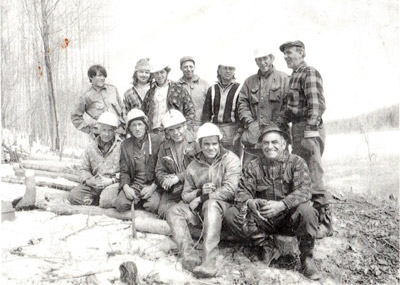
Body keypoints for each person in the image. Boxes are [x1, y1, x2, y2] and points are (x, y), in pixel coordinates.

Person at [225, 124, 321, 280]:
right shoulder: (253, 166)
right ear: (261, 145)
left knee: (308, 211)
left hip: (289, 221)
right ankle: (265, 246)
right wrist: (251, 202)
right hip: (263, 220)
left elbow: (304, 191)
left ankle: (307, 259)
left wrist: (282, 205)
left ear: (284, 144)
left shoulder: (296, 162)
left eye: (275, 142)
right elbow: (241, 194)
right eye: (266, 143)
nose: (270, 147)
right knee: (231, 214)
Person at [166, 123, 241, 278]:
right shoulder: (194, 165)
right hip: (202, 211)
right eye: (206, 144)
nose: (211, 148)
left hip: (226, 212)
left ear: (219, 143)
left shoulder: (230, 160)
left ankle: (209, 262)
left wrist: (202, 198)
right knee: (174, 210)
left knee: (211, 204)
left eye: (214, 144)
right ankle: (189, 255)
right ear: (200, 145)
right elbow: (185, 195)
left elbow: (231, 190)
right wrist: (199, 192)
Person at [277, 40, 332, 238]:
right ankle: (309, 220)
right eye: (284, 54)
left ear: (302, 53)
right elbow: (290, 109)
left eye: (290, 53)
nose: (286, 57)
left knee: (314, 175)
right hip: (297, 128)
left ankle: (326, 223)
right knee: (302, 175)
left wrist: (309, 134)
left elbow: (316, 106)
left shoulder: (309, 72)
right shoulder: (294, 76)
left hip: (309, 129)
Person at [238, 49, 289, 167]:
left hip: (277, 134)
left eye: (265, 58)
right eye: (259, 59)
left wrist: (276, 124)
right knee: (248, 171)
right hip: (253, 138)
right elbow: (242, 104)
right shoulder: (249, 82)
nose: (262, 62)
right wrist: (250, 123)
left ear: (272, 58)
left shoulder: (285, 79)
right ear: (256, 61)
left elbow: (288, 105)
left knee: (280, 170)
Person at [68, 112, 121, 207]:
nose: (106, 134)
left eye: (110, 130)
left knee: (107, 199)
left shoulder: (122, 147)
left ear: (114, 131)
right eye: (104, 130)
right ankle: (96, 202)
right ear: (99, 129)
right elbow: (84, 168)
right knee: (74, 196)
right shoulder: (91, 147)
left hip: (113, 184)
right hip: (94, 184)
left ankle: (103, 202)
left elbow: (127, 172)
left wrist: (112, 180)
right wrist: (89, 180)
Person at [115, 109, 163, 213]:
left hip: (153, 184)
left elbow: (163, 169)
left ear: (145, 126)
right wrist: (126, 187)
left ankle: (141, 202)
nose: (137, 128)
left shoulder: (158, 141)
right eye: (133, 125)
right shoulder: (125, 145)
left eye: (140, 124)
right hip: (135, 184)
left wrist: (153, 187)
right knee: (120, 204)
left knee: (152, 206)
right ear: (129, 129)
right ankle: (138, 200)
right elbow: (124, 171)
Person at [155, 110, 197, 218]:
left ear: (185, 126)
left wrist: (178, 177)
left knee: (190, 212)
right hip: (174, 189)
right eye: (171, 130)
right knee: (163, 212)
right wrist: (165, 180)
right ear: (167, 132)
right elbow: (159, 169)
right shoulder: (164, 146)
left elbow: (199, 168)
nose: (176, 133)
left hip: (192, 186)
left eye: (179, 128)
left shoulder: (195, 143)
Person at [141, 60, 195, 140]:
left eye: (162, 72)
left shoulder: (178, 89)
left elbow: (190, 110)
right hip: (154, 133)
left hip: (173, 133)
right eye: (156, 73)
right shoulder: (150, 93)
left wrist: (186, 129)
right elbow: (144, 112)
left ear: (167, 73)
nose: (159, 76)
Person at [71, 65, 125, 138]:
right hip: (101, 136)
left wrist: (123, 126)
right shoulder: (86, 96)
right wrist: (90, 129)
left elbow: (123, 109)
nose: (102, 78)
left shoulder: (113, 90)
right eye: (99, 76)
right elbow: (75, 117)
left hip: (119, 133)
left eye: (103, 76)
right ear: (91, 77)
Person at [201, 62, 242, 157]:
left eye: (230, 68)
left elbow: (241, 112)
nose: (227, 71)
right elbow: (206, 113)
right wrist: (206, 130)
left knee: (230, 158)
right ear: (219, 70)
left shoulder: (240, 89)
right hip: (215, 129)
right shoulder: (212, 89)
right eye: (225, 68)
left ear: (234, 70)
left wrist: (239, 132)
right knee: (214, 157)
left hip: (232, 130)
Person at [177, 56, 209, 132]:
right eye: (185, 67)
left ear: (194, 67)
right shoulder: (177, 85)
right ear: (181, 68)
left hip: (201, 125)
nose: (188, 69)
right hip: (183, 127)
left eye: (191, 67)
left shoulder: (204, 84)